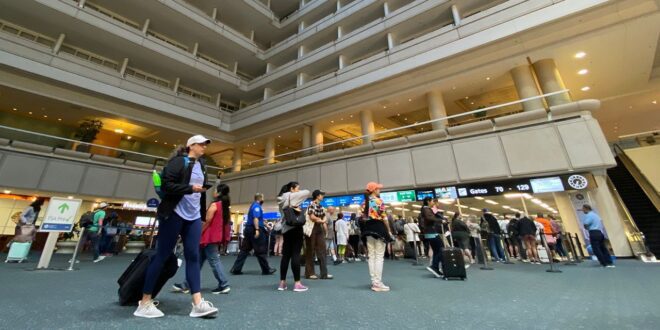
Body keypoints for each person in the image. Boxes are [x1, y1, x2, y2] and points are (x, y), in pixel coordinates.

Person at [135, 135, 217, 319]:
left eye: (205, 144)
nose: (204, 147)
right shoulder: (179, 161)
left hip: (193, 216)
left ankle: (197, 303)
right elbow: (168, 185)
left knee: (193, 256)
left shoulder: (202, 165)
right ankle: (144, 302)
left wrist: (202, 215)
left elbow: (201, 191)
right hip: (174, 213)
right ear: (191, 146)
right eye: (201, 144)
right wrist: (190, 189)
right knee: (162, 255)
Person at [173, 184, 231, 295]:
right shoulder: (225, 206)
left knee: (213, 260)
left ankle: (224, 284)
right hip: (214, 237)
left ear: (218, 193)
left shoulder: (215, 205)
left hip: (208, 237)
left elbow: (207, 221)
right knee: (198, 261)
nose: (213, 192)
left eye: (215, 190)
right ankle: (187, 284)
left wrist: (197, 232)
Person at [230, 193, 276, 276]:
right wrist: (257, 230)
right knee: (260, 250)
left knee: (244, 250)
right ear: (260, 198)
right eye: (263, 198)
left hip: (249, 230)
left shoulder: (253, 206)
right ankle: (266, 269)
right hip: (254, 229)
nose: (263, 200)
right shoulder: (257, 207)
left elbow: (259, 219)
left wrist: (267, 226)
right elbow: (255, 219)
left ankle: (236, 268)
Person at [277, 181, 311, 292]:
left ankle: (282, 283)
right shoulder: (292, 196)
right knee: (296, 254)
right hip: (296, 228)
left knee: (286, 255)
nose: (299, 190)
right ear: (292, 189)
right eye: (297, 188)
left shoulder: (281, 199)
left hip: (286, 229)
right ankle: (297, 283)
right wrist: (296, 193)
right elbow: (307, 192)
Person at [361, 182, 394, 292]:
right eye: (378, 188)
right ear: (374, 189)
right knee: (379, 256)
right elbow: (384, 218)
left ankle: (374, 282)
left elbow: (362, 216)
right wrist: (389, 231)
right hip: (379, 228)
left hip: (368, 229)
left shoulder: (364, 203)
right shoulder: (378, 201)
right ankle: (378, 283)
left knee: (372, 256)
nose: (380, 190)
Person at [305, 190, 333, 280]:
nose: (323, 196)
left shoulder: (320, 206)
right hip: (311, 229)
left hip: (318, 228)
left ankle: (324, 273)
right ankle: (309, 273)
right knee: (310, 251)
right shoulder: (311, 204)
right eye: (321, 195)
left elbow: (324, 216)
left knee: (322, 250)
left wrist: (323, 222)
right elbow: (312, 217)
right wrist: (321, 220)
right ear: (317, 196)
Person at [421, 197, 445, 277]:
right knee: (441, 249)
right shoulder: (426, 209)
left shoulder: (426, 209)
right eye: (432, 201)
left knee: (436, 250)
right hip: (431, 232)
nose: (433, 203)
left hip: (429, 232)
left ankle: (435, 267)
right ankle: (434, 266)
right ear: (428, 201)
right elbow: (429, 218)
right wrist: (441, 220)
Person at [215, 184, 232, 256]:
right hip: (224, 222)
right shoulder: (227, 201)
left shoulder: (217, 203)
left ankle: (219, 251)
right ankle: (222, 251)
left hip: (219, 222)